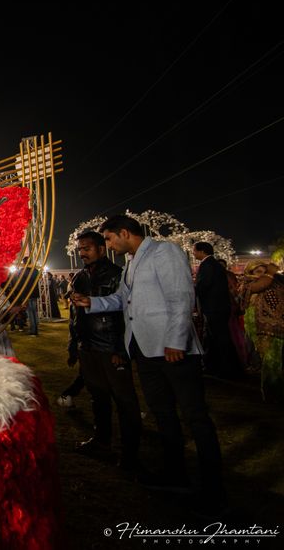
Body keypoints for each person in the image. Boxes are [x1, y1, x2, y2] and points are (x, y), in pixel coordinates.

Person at [71, 215, 225, 514]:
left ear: (124, 233)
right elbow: (122, 300)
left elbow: (181, 297)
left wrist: (176, 341)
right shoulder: (132, 262)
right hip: (146, 349)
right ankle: (175, 474)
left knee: (195, 416)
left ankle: (214, 490)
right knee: (163, 414)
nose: (109, 245)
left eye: (110, 239)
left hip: (173, 349)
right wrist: (92, 303)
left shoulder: (165, 252)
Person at [68, 231, 141, 470]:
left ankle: (130, 452)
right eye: (80, 249)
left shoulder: (118, 275)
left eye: (87, 248)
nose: (82, 253)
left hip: (111, 346)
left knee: (124, 400)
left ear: (101, 249)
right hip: (88, 345)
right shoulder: (80, 277)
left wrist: (120, 348)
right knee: (98, 397)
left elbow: (125, 314)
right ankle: (101, 441)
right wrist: (75, 344)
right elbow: (75, 315)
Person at [194, 242, 243, 379]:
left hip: (215, 308)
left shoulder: (208, 265)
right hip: (218, 307)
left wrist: (191, 291)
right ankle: (220, 366)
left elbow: (204, 285)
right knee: (217, 338)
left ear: (201, 251)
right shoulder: (213, 264)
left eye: (194, 250)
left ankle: (228, 369)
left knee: (220, 338)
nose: (193, 253)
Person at [238, 259, 284, 400]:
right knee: (270, 360)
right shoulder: (249, 283)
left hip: (279, 326)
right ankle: (272, 392)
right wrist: (269, 273)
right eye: (258, 271)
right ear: (250, 272)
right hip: (263, 329)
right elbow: (259, 286)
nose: (262, 274)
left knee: (278, 360)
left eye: (264, 271)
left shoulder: (274, 282)